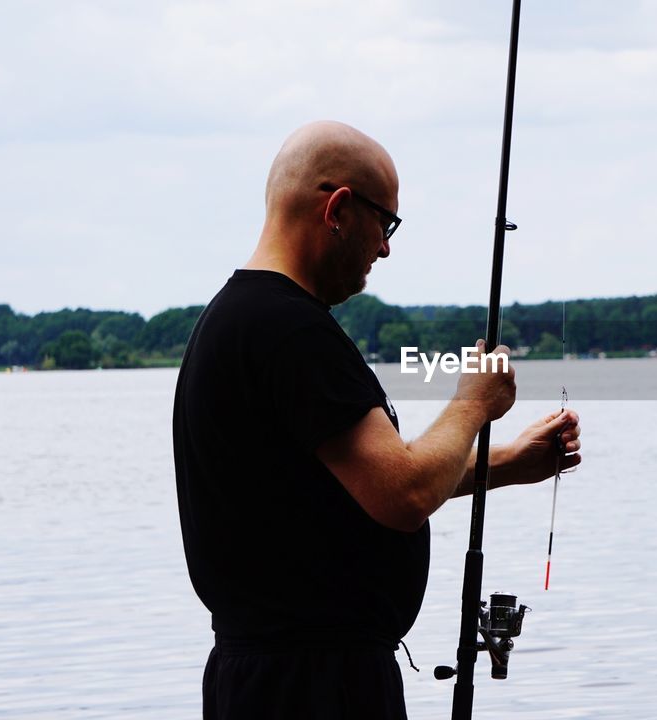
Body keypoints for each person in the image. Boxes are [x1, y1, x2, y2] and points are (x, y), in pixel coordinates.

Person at [172, 120, 582, 719]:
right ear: (338, 208)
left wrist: (507, 463)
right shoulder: (289, 331)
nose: (386, 247)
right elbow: (403, 491)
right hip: (311, 688)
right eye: (385, 224)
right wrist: (473, 402)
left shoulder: (242, 318)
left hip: (278, 681)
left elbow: (362, 483)